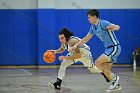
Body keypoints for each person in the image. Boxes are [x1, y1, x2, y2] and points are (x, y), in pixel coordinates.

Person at [69, 9, 122, 92]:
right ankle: (117, 85)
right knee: (106, 73)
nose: (88, 19)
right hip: (108, 49)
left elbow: (116, 26)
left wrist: (115, 27)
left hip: (114, 47)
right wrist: (76, 45)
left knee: (97, 63)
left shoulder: (103, 23)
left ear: (94, 17)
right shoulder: (93, 27)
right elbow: (86, 38)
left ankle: (115, 78)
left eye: (89, 17)